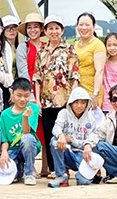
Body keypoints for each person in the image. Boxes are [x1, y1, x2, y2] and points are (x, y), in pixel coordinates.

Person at [33, 15, 80, 178]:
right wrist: (37, 100)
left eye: (56, 28)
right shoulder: (41, 52)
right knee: (48, 133)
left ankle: (65, 167)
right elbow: (37, 78)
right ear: (45, 31)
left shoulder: (69, 50)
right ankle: (54, 169)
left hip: (64, 100)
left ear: (62, 31)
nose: (54, 32)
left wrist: (73, 99)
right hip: (46, 101)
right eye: (50, 28)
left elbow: (74, 75)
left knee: (64, 133)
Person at [15, 12, 48, 177]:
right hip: (29, 92)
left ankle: (46, 166)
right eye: (29, 27)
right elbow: (22, 71)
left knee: (45, 129)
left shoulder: (46, 46)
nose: (33, 30)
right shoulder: (23, 47)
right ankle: (31, 165)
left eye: (36, 27)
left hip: (46, 91)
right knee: (31, 128)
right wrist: (31, 96)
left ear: (41, 29)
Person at [48, 87, 97, 187]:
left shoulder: (91, 119)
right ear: (70, 103)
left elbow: (90, 141)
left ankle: (84, 175)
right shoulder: (64, 113)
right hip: (66, 152)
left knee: (84, 182)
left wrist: (71, 140)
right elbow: (56, 128)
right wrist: (61, 135)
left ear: (87, 104)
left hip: (82, 155)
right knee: (54, 141)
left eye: (83, 103)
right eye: (76, 102)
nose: (79, 106)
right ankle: (61, 175)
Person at [0, 77, 40, 186]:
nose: (22, 99)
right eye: (19, 95)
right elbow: (4, 139)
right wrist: (4, 152)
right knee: (10, 174)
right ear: (12, 93)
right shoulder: (5, 114)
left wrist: (25, 117)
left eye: (26, 96)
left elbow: (26, 132)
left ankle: (29, 173)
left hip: (28, 145)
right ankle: (19, 169)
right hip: (13, 149)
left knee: (28, 138)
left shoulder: (33, 109)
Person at [74, 13, 106, 108]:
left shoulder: (97, 45)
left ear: (94, 27)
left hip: (91, 92)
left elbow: (100, 70)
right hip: (78, 92)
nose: (84, 28)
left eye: (87, 25)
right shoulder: (76, 45)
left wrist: (95, 94)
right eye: (81, 24)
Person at [2, 15, 20, 79]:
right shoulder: (1, 48)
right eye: (7, 28)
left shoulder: (20, 47)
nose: (11, 30)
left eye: (14, 27)